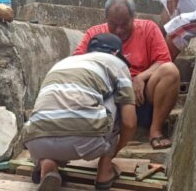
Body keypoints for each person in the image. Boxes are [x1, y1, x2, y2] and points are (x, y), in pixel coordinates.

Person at [23, 33, 137, 191]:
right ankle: (105, 170)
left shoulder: (64, 63)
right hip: (85, 140)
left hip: (35, 142)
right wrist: (115, 150)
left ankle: (46, 163)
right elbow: (129, 122)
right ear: (115, 53)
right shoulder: (116, 63)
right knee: (122, 101)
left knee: (53, 105)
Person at [74, 0, 180, 150]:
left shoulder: (148, 28)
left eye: (124, 24)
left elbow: (163, 60)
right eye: (113, 24)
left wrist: (141, 78)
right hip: (109, 97)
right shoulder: (94, 34)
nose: (119, 30)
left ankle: (155, 130)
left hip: (141, 97)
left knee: (170, 71)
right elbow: (76, 62)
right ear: (106, 18)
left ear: (133, 17)